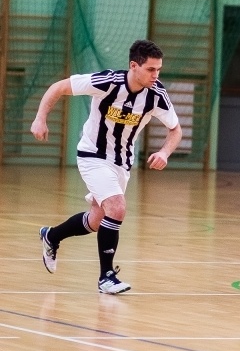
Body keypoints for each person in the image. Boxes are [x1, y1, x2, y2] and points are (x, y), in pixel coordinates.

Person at [31, 39, 182, 294]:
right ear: (134, 66)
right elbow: (59, 87)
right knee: (117, 207)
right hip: (93, 154)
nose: (156, 75)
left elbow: (175, 129)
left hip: (121, 163)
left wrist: (165, 152)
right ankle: (106, 277)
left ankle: (52, 236)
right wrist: (40, 118)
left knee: (96, 220)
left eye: (159, 70)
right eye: (151, 70)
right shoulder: (107, 82)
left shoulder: (156, 94)